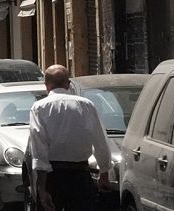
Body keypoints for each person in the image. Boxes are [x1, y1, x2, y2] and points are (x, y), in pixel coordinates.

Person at [27, 64, 113, 211]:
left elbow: (39, 149)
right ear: (68, 84)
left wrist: (41, 188)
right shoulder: (86, 105)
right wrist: (104, 173)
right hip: (81, 177)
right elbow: (100, 142)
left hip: (53, 178)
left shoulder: (39, 108)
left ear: (46, 85)